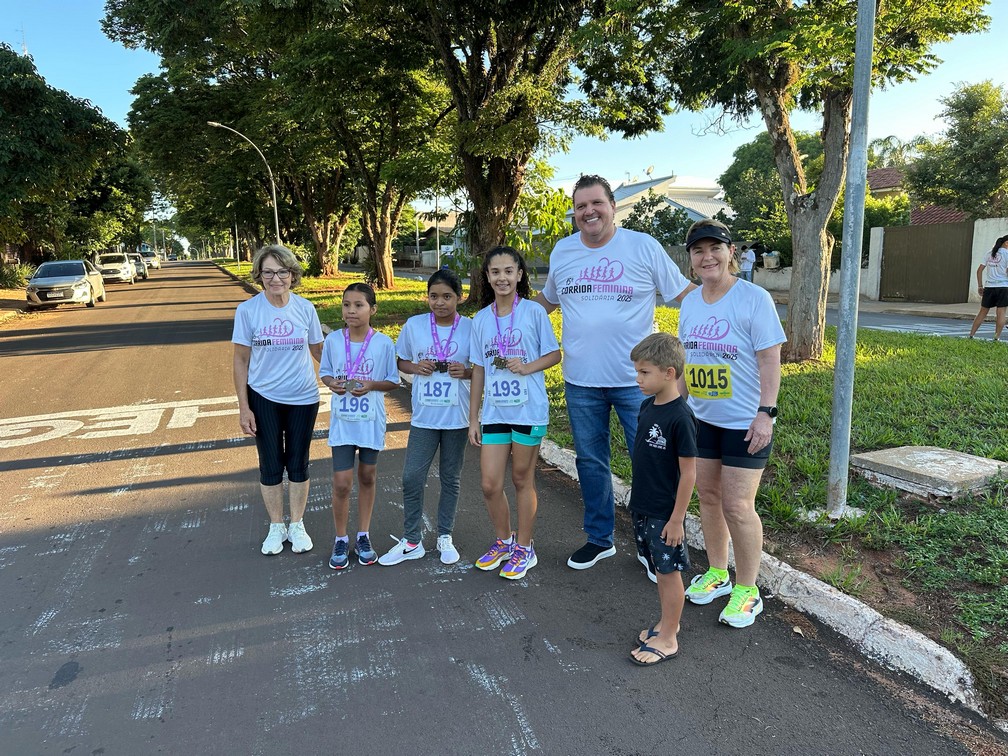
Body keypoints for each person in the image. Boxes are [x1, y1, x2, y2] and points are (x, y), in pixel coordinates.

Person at [534, 174, 695, 572]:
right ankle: (599, 539)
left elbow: (685, 295)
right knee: (591, 462)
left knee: (651, 464)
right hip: (581, 381)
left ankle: (651, 542)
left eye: (596, 203)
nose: (588, 211)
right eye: (581, 206)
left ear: (612, 206)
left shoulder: (643, 247)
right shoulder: (563, 251)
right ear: (574, 213)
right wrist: (500, 319)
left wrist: (727, 311)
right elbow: (546, 302)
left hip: (639, 384)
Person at [677, 218, 785, 629]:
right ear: (691, 260)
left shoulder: (753, 298)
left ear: (731, 254)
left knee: (738, 506)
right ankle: (719, 573)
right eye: (698, 251)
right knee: (707, 496)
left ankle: (748, 590)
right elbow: (691, 362)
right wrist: (677, 405)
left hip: (745, 421)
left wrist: (766, 413)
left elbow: (769, 359)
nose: (707, 257)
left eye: (715, 248)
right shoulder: (689, 303)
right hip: (703, 419)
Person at [469, 246, 562, 580]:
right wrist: (473, 417)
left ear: (520, 274)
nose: (502, 278)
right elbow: (478, 369)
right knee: (490, 484)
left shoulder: (534, 313)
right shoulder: (481, 319)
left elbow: (555, 355)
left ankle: (525, 546)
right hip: (494, 411)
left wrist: (527, 367)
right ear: (487, 277)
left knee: (522, 478)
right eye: (495, 272)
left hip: (527, 411)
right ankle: (504, 540)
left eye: (509, 271)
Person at [232, 244, 324, 556]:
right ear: (259, 275)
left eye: (282, 272)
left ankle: (296, 524)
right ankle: (276, 526)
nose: (276, 278)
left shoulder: (305, 309)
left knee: (298, 463)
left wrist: (346, 378)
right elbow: (241, 360)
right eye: (269, 272)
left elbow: (319, 352)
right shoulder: (248, 311)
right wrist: (244, 407)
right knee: (271, 464)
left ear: (292, 275)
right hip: (264, 398)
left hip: (303, 397)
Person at [379, 270, 473, 566]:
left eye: (447, 297)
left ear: (459, 297)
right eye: (434, 296)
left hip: (456, 416)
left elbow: (482, 368)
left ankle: (445, 535)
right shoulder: (415, 325)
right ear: (427, 297)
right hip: (424, 417)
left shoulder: (470, 328)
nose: (440, 303)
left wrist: (466, 372)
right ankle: (411, 540)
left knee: (450, 478)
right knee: (411, 477)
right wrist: (415, 367)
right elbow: (400, 360)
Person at [319, 283, 400, 570]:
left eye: (359, 305)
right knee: (342, 483)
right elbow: (325, 373)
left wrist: (371, 385)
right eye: (346, 305)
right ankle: (341, 538)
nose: (351, 311)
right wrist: (332, 384)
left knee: (367, 476)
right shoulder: (333, 341)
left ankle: (363, 535)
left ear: (373, 309)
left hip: (370, 422)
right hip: (343, 422)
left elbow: (393, 380)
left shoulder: (383, 344)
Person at [627, 333, 697, 665]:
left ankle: (669, 637)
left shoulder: (680, 417)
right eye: (638, 372)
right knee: (658, 569)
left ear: (669, 373)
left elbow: (688, 473)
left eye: (645, 372)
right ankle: (666, 622)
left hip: (664, 513)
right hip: (643, 505)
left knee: (669, 575)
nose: (638, 379)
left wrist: (676, 518)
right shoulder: (646, 406)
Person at [967, 234, 1008, 341]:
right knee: (1001, 313)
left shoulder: (989, 253)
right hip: (1003, 287)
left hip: (989, 287)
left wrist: (980, 285)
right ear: (1006, 243)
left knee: (982, 312)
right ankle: (996, 337)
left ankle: (971, 335)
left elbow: (979, 270)